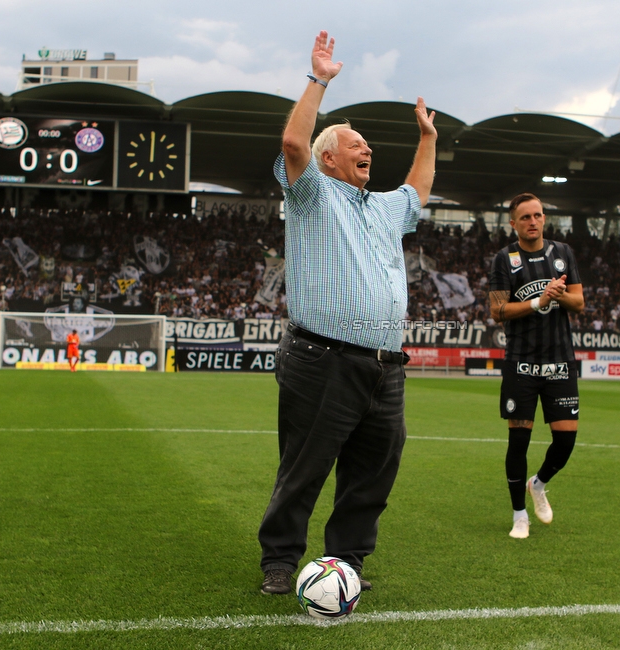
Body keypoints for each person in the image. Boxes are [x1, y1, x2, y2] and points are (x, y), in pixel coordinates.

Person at [257, 31, 437, 595]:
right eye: (357, 145)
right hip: (322, 357)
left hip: (386, 366)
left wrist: (427, 138)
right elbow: (292, 142)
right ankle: (281, 562)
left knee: (374, 470)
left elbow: (418, 189)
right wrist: (318, 80)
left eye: (369, 148)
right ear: (329, 155)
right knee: (305, 467)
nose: (368, 151)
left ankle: (347, 563)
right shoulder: (310, 192)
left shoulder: (384, 207)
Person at [489, 193, 585, 539]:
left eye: (538, 215)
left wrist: (558, 297)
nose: (533, 221)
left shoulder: (563, 254)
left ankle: (539, 484)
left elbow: (579, 302)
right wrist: (537, 301)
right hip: (522, 363)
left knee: (566, 442)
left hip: (560, 361)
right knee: (519, 442)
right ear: (513, 224)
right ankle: (519, 516)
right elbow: (497, 311)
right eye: (525, 217)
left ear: (544, 219)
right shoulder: (504, 259)